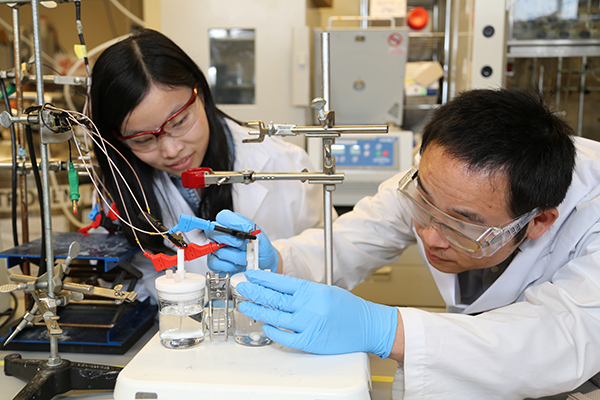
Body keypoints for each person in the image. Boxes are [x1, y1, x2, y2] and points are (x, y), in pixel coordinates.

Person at [206, 88, 600, 399]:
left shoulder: (592, 211)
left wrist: (384, 329)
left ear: (539, 221)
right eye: (424, 204)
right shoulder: (442, 175)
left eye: (462, 226)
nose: (429, 236)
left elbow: (563, 338)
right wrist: (282, 260)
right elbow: (355, 237)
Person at [89, 28, 326, 303]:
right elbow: (127, 284)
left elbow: (330, 259)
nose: (171, 150)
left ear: (199, 93)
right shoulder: (120, 187)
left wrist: (280, 264)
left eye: (179, 122)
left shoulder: (284, 162)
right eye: (142, 139)